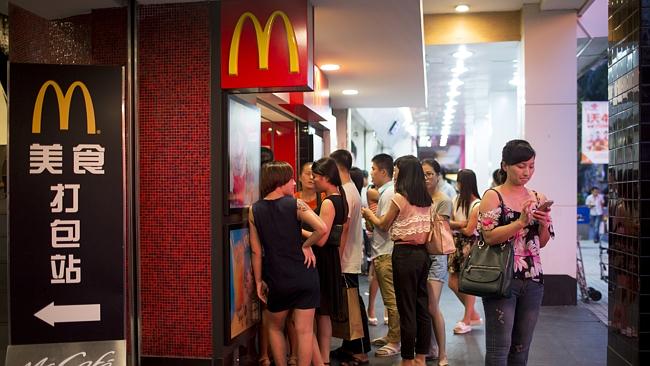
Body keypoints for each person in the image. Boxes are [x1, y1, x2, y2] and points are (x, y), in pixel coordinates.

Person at [478, 140, 554, 365]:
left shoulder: (538, 197)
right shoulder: (493, 196)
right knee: (499, 348)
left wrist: (542, 224)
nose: (527, 172)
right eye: (521, 166)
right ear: (505, 166)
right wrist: (520, 222)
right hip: (501, 278)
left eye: (531, 166)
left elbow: (541, 242)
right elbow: (488, 236)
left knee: (522, 348)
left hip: (533, 279)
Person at [249, 161, 328, 366]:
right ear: (279, 181)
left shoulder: (254, 210)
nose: (294, 183)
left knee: (275, 328)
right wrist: (305, 245)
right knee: (305, 331)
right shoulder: (295, 204)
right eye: (291, 179)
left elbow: (257, 251)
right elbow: (322, 228)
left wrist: (258, 281)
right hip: (304, 274)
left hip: (277, 277)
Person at [362, 155, 432, 366]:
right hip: (423, 254)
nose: (394, 173)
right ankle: (420, 356)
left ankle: (407, 359)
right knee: (421, 306)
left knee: (406, 307)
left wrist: (369, 214)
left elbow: (383, 224)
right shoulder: (426, 198)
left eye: (396, 170)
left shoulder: (400, 197)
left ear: (404, 172)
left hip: (403, 254)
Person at [329, 150, 370, 366]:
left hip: (346, 258)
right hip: (351, 255)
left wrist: (336, 259)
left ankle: (359, 351)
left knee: (352, 306)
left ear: (336, 167)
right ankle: (350, 347)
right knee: (351, 304)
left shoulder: (345, 191)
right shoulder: (352, 188)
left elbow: (343, 230)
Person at [309, 157, 349, 365]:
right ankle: (323, 357)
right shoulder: (341, 198)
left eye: (315, 176)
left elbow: (322, 238)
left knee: (320, 312)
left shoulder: (328, 202)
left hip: (323, 259)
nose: (312, 180)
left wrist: (298, 230)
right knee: (324, 313)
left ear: (325, 177)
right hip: (332, 258)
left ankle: (320, 357)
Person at [364, 153, 401, 358]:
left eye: (374, 170)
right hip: (383, 252)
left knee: (392, 300)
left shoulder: (388, 194)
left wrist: (369, 215)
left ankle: (395, 340)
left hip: (387, 252)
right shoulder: (385, 193)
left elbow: (385, 225)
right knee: (389, 300)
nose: (371, 174)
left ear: (384, 172)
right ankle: (391, 336)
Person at [421, 159, 451, 366]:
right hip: (420, 255)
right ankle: (429, 348)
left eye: (430, 174)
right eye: (423, 174)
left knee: (432, 306)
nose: (426, 178)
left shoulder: (443, 200)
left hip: (437, 256)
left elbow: (437, 230)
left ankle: (443, 354)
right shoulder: (417, 198)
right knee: (423, 306)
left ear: (438, 176)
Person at [448, 169, 483, 334]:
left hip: (471, 246)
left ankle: (467, 319)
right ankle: (473, 314)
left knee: (468, 284)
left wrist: (457, 224)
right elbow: (448, 223)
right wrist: (460, 224)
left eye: (459, 181)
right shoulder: (455, 200)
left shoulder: (477, 204)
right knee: (453, 282)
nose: (457, 184)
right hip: (456, 244)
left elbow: (470, 231)